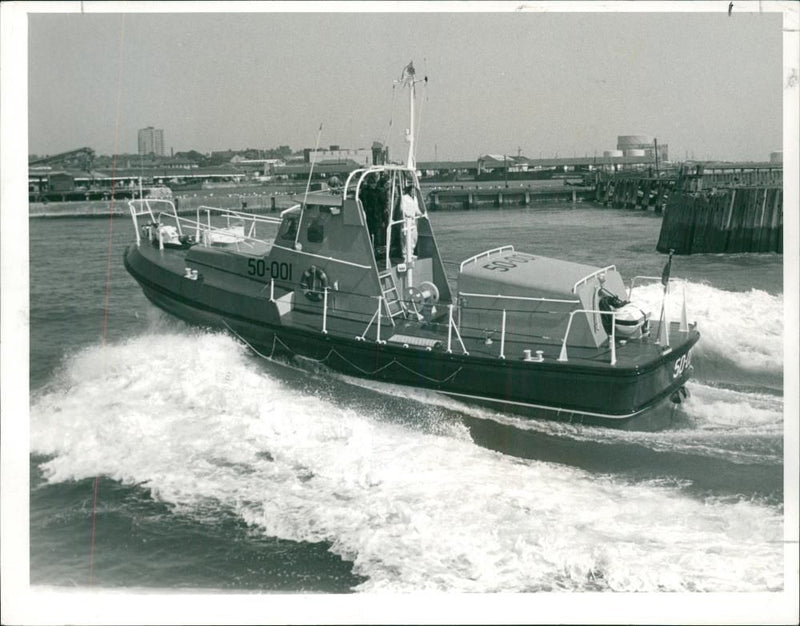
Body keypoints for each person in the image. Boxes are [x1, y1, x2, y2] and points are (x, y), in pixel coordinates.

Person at [400, 183, 422, 259]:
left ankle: (411, 253)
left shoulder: (415, 198)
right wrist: (408, 215)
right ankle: (405, 255)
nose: (413, 192)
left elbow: (416, 208)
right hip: (406, 221)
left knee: (414, 237)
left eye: (414, 191)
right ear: (409, 190)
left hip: (413, 221)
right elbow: (402, 208)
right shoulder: (404, 198)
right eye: (412, 191)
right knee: (406, 238)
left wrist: (420, 214)